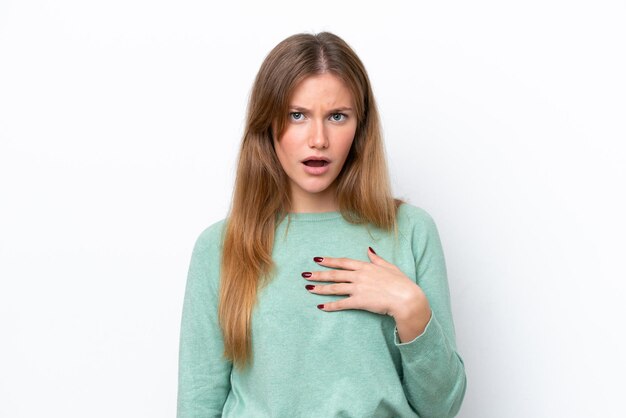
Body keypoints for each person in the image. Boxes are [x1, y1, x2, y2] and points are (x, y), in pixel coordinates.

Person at [177, 31, 466, 417]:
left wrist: (410, 306)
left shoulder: (410, 231)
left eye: (337, 116)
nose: (318, 139)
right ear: (267, 125)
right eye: (297, 116)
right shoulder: (220, 246)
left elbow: (441, 408)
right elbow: (198, 405)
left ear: (359, 128)